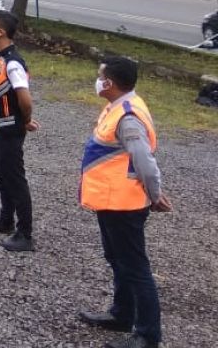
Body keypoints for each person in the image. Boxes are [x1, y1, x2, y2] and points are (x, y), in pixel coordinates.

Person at [78, 56, 169, 348]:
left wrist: (155, 194)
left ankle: (147, 334)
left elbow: (144, 159)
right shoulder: (117, 107)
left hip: (124, 205)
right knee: (118, 260)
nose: (97, 79)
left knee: (135, 267)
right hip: (111, 200)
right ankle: (122, 314)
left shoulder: (128, 116)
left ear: (110, 83)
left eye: (100, 75)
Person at [0, 10, 38, 252]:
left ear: (1, 32)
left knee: (15, 179)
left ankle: (25, 233)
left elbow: (25, 98)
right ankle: (5, 218)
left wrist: (26, 119)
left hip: (8, 128)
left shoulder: (12, 63)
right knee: (2, 175)